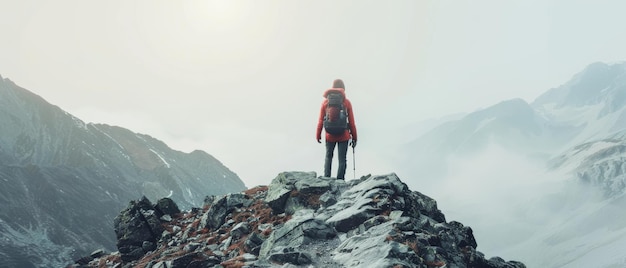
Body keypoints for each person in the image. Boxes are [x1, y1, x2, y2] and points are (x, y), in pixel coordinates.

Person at [316, 79, 357, 180]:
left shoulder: (325, 103)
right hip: (344, 135)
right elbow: (352, 123)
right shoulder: (346, 102)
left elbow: (321, 120)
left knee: (328, 157)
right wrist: (355, 137)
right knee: (342, 159)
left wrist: (318, 134)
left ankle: (326, 179)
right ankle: (340, 181)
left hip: (329, 135)